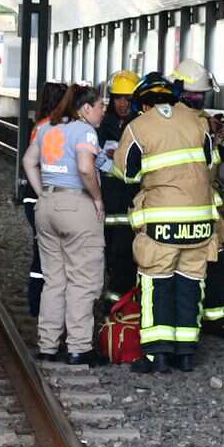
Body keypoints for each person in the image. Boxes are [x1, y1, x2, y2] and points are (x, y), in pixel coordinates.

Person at [114, 72, 218, 374]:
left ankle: (156, 355)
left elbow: (127, 174)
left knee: (156, 282)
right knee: (190, 282)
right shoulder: (197, 122)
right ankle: (185, 353)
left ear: (143, 104)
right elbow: (210, 162)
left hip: (161, 222)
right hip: (200, 221)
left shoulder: (138, 127)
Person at [22, 85, 108, 365]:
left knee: (54, 280)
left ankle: (47, 345)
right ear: (85, 109)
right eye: (100, 106)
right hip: (76, 206)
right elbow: (85, 167)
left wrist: (43, 191)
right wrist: (97, 198)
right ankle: (79, 347)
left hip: (47, 206)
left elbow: (28, 161)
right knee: (82, 280)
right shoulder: (84, 131)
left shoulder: (48, 128)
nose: (102, 111)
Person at [172, 58, 224, 337]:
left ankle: (215, 317)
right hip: (183, 205)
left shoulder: (207, 120)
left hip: (208, 209)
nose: (197, 99)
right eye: (194, 94)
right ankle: (191, 318)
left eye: (200, 95)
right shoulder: (173, 121)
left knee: (217, 266)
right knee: (185, 267)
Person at [22, 82, 68, 316]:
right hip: (46, 197)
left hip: (34, 198)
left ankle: (37, 303)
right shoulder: (54, 128)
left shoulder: (39, 125)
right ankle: (44, 305)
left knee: (41, 250)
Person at [98, 71, 142, 305]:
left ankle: (118, 300)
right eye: (117, 98)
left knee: (124, 251)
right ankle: (116, 294)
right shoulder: (104, 125)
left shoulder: (141, 125)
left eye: (126, 98)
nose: (121, 103)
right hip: (109, 198)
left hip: (131, 199)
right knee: (111, 251)